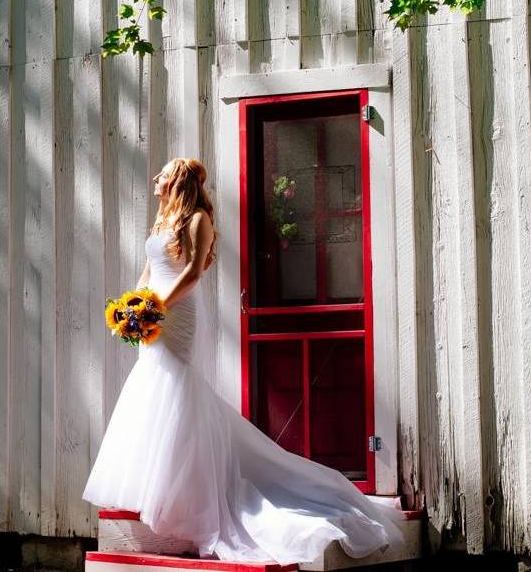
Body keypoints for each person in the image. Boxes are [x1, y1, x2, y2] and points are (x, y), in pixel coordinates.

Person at [81, 157, 406, 565]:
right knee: (149, 385)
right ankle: (156, 486)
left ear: (177, 179)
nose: (155, 179)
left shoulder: (197, 219)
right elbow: (149, 270)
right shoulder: (162, 219)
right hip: (151, 314)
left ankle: (189, 490)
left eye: (162, 174)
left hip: (176, 314)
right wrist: (133, 305)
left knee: (173, 384)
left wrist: (159, 304)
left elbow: (194, 273)